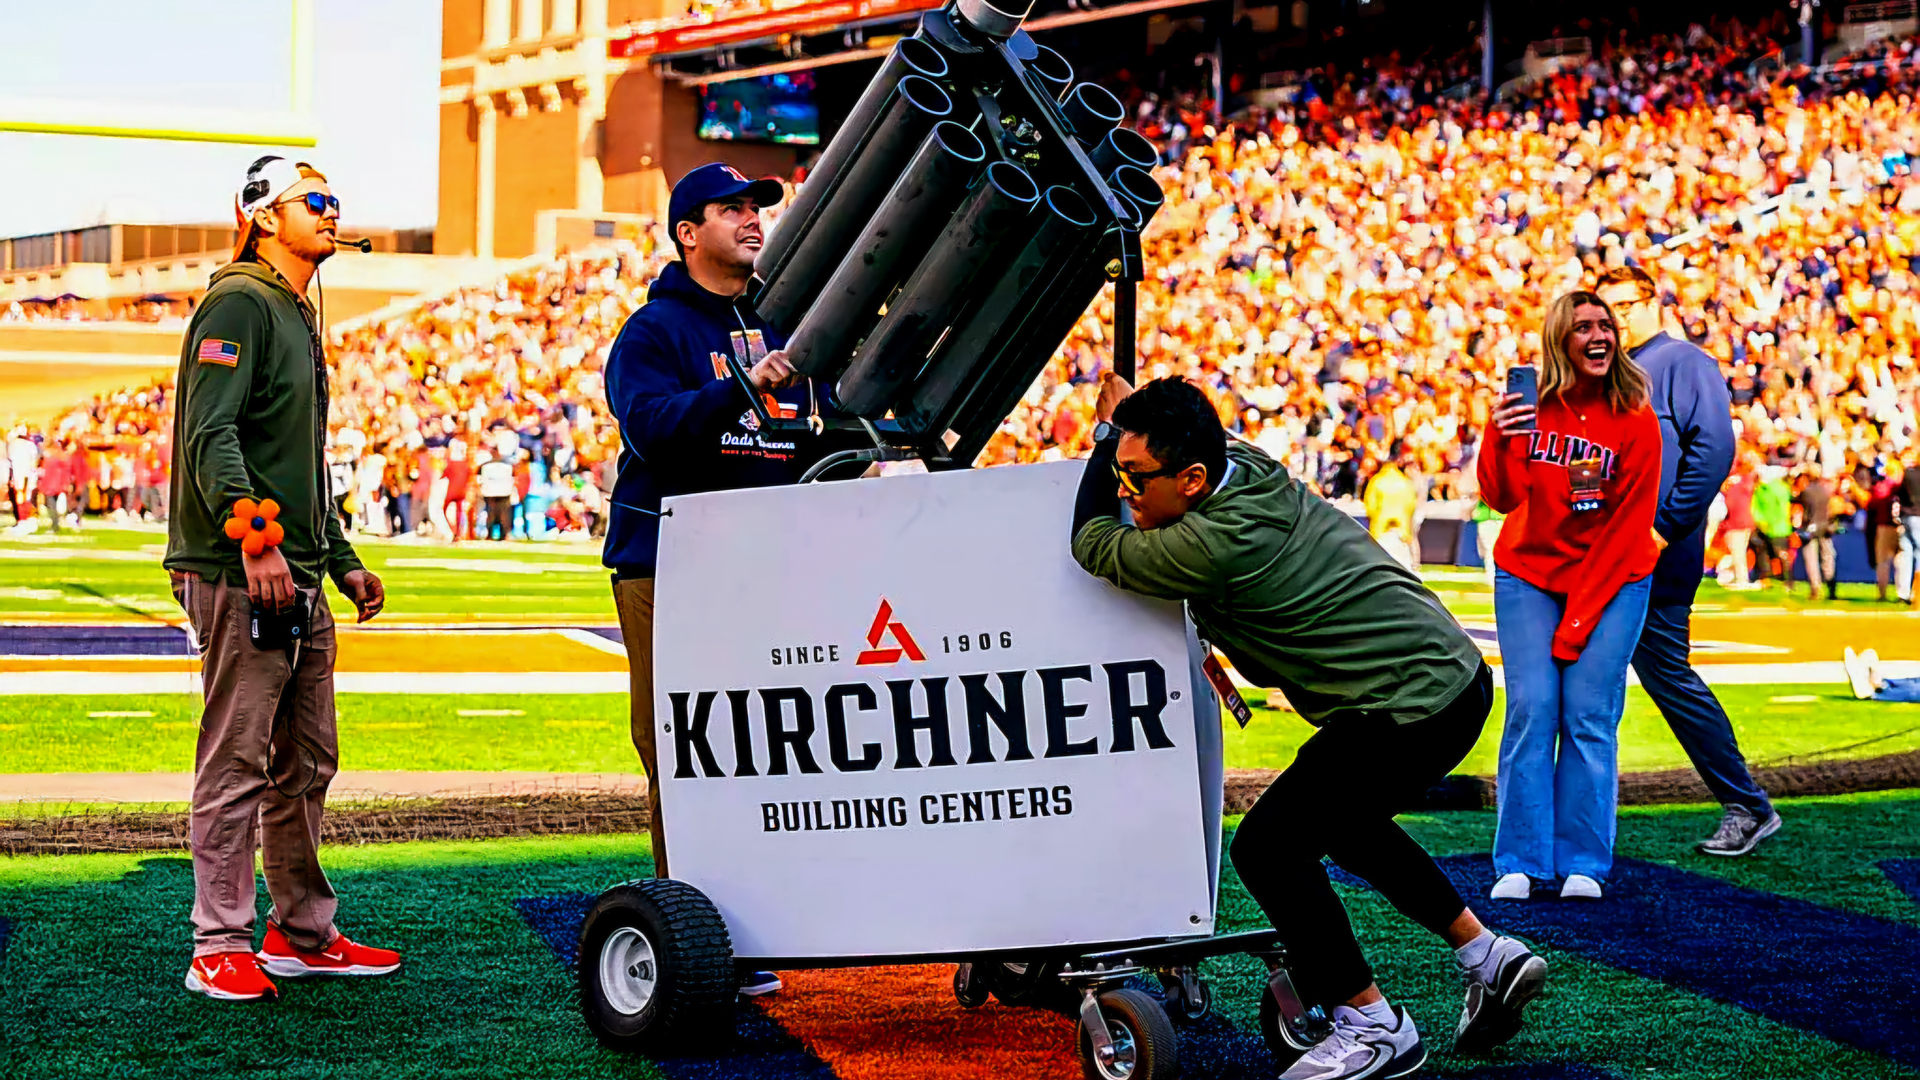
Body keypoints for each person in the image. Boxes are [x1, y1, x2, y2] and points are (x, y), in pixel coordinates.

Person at [1071, 376, 1547, 1078]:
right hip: (1445, 678)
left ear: (1195, 479)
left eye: (1135, 478)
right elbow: (1189, 448)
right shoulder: (1248, 466)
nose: (1126, 489)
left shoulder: (1209, 541)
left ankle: (1372, 1023)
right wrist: (1132, 429)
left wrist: (1108, 433)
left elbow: (1091, 540)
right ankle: (1486, 953)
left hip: (1408, 701)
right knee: (1344, 823)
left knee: (1268, 849)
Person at [599, 163, 856, 1000]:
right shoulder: (653, 329)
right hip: (667, 562)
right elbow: (651, 430)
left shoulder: (785, 322)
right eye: (731, 209)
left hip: (763, 564)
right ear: (687, 231)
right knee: (679, 744)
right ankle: (695, 933)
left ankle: (767, 915)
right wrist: (740, 385)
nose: (752, 220)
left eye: (756, 209)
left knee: (769, 738)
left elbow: (807, 444)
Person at [163, 156, 395, 1003]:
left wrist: (339, 558)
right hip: (241, 568)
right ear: (263, 217)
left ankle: (300, 930)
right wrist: (255, 542)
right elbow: (211, 435)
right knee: (238, 757)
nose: (334, 212)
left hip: (293, 568)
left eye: (335, 199)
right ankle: (217, 941)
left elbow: (302, 460)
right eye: (316, 201)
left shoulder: (294, 308)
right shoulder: (240, 302)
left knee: (309, 758)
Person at [1479, 292, 1661, 902]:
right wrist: (1498, 436)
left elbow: (1627, 530)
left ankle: (1584, 858)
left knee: (1587, 713)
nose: (1598, 334)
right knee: (1533, 707)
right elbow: (1501, 497)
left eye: (1605, 323)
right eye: (1583, 326)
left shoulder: (1636, 417)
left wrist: (1576, 624)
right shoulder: (1530, 407)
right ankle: (1521, 860)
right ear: (1561, 338)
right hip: (1530, 573)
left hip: (1615, 576)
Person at [1596, 266, 1781, 857]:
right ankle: (1574, 816)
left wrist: (1663, 528)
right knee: (1588, 680)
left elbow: (1715, 450)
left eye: (1626, 305)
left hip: (1656, 553)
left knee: (1666, 675)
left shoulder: (1684, 362)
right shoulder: (1610, 373)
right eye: (1607, 309)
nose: (1616, 318)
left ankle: (1747, 804)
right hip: (1604, 552)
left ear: (1653, 301)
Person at [1794, 466, 1839, 600]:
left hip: (1810, 527)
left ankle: (1815, 588)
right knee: (1828, 557)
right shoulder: (1826, 491)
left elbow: (1801, 505)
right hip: (1825, 526)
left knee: (1811, 558)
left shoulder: (1807, 492)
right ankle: (1831, 586)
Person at [1750, 463, 1792, 586]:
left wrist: (1765, 521)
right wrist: (1761, 521)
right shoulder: (1762, 489)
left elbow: (1783, 509)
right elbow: (1756, 507)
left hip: (1778, 528)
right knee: (1765, 552)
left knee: (1779, 553)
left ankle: (1786, 579)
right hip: (1769, 527)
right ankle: (1768, 576)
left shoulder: (1780, 489)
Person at [1869, 461, 1904, 602]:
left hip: (1884, 526)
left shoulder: (1882, 487)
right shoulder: (1904, 486)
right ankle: (1903, 593)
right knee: (1901, 560)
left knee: (1883, 562)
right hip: (1902, 526)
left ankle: (1882, 593)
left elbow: (1872, 503)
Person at [478, 449, 515, 541]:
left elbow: (483, 480)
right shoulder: (507, 466)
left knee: (492, 514)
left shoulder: (486, 466)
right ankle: (503, 535)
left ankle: (492, 535)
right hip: (502, 492)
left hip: (491, 492)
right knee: (502, 514)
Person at [1898, 453, 1920, 604]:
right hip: (1917, 516)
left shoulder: (1908, 473)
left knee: (1905, 552)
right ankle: (1917, 592)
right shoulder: (1910, 473)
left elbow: (1900, 493)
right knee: (1919, 553)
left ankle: (1903, 593)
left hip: (1906, 515)